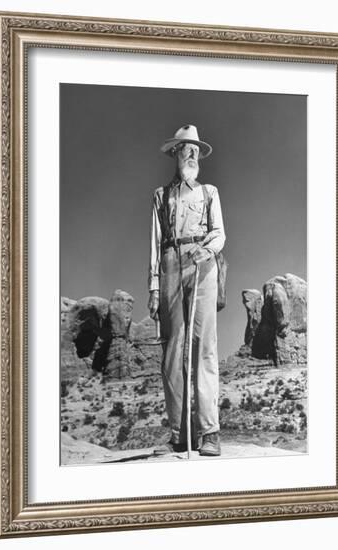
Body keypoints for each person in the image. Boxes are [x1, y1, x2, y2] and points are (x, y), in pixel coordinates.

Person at [148, 124, 225, 457]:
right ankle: (180, 434)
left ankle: (210, 433)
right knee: (172, 354)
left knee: (204, 348)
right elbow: (154, 243)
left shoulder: (209, 192)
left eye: (195, 149)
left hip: (202, 265)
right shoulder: (161, 196)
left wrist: (207, 251)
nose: (192, 153)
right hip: (169, 267)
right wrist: (154, 286)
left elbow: (220, 234)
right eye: (186, 148)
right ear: (175, 154)